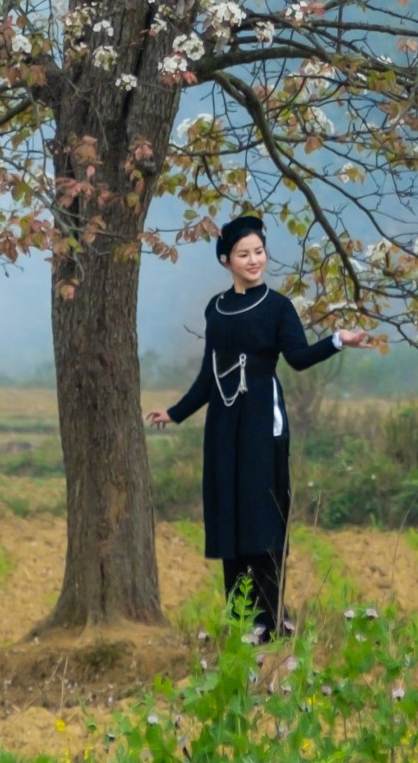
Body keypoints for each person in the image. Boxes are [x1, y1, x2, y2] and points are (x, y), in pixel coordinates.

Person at [150, 214, 371, 639]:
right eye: (243, 254)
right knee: (230, 518)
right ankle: (239, 618)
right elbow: (209, 376)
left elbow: (299, 359)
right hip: (223, 426)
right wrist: (175, 413)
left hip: (262, 425)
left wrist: (338, 340)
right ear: (226, 260)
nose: (254, 260)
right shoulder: (215, 309)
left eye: (259, 252)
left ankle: (270, 620)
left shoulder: (277, 307)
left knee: (263, 519)